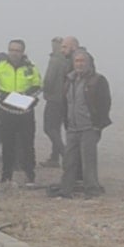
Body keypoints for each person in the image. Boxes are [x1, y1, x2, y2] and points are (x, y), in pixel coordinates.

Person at [50, 49, 111, 198]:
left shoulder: (98, 80)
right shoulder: (69, 80)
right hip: (72, 128)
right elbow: (65, 104)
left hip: (89, 127)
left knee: (88, 161)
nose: (79, 64)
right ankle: (66, 189)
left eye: (82, 61)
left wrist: (98, 125)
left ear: (89, 63)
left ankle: (92, 190)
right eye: (77, 61)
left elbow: (105, 104)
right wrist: (66, 122)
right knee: (69, 160)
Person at [0, 40, 42, 185]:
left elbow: (38, 86)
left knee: (27, 145)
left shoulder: (30, 68)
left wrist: (26, 97)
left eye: (17, 50)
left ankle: (29, 176)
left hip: (25, 112)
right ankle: (6, 177)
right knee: (7, 145)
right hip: (6, 111)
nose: (14, 53)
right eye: (11, 50)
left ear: (23, 52)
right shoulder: (0, 66)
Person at [41, 36, 78, 167]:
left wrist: (44, 90)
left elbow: (49, 79)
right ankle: (54, 157)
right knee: (56, 128)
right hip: (65, 99)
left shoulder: (55, 60)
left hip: (54, 99)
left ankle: (64, 155)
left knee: (49, 128)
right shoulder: (69, 60)